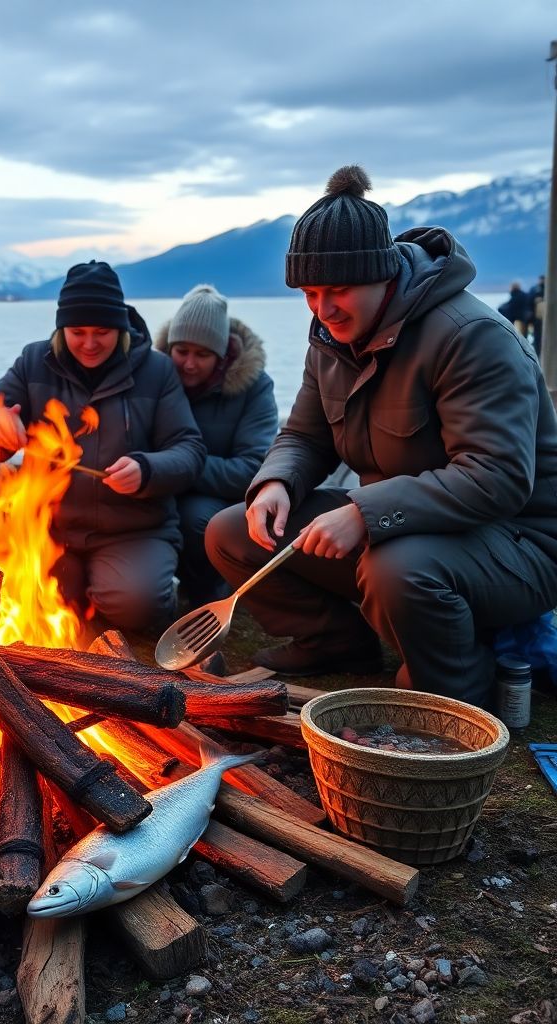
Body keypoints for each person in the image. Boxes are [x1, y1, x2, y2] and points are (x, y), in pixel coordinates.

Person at [205, 165, 557, 710]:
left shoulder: (471, 337)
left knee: (395, 568)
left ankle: (458, 689)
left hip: (517, 544)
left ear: (383, 275)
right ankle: (335, 643)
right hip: (404, 526)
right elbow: (304, 433)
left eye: (339, 290)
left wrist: (365, 514)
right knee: (232, 531)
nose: (323, 310)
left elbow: (499, 477)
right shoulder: (330, 338)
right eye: (310, 293)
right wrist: (276, 482)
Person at [0, 260, 205, 630]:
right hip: (50, 528)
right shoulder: (34, 362)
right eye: (77, 331)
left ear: (121, 327)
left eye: (102, 331)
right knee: (26, 595)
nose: (89, 344)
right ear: (62, 328)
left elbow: (189, 450)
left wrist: (147, 469)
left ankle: (150, 588)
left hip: (133, 529)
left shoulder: (156, 371)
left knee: (138, 607)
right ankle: (85, 593)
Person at [154, 284, 278, 605]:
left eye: (203, 354)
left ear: (222, 355)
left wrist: (179, 466)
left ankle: (207, 595)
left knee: (197, 519)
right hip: (157, 487)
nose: (190, 364)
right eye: (182, 351)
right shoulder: (155, 377)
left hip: (218, 499)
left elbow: (253, 469)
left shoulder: (255, 387)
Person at [528, 274, 545, 356]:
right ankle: (537, 354)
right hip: (538, 319)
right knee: (537, 337)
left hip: (543, 319)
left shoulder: (535, 290)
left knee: (539, 338)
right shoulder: (535, 290)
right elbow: (529, 303)